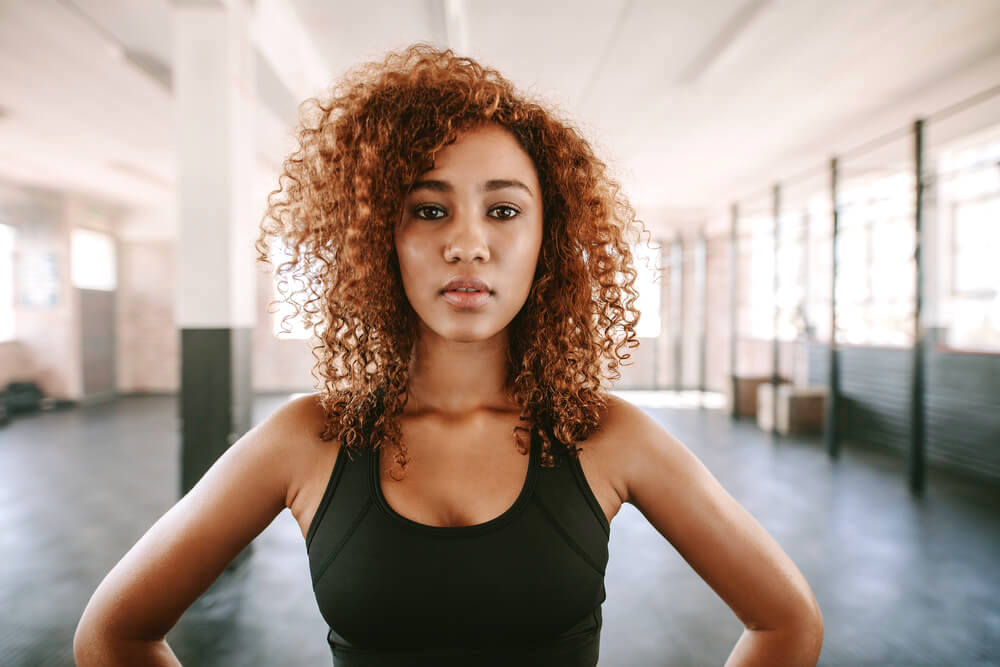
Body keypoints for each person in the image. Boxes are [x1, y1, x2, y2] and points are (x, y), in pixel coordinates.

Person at [74, 43, 823, 666]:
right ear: (380, 241)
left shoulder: (608, 435)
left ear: (547, 240)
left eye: (503, 209)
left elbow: (787, 623)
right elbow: (113, 635)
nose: (468, 241)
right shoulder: (307, 439)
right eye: (429, 209)